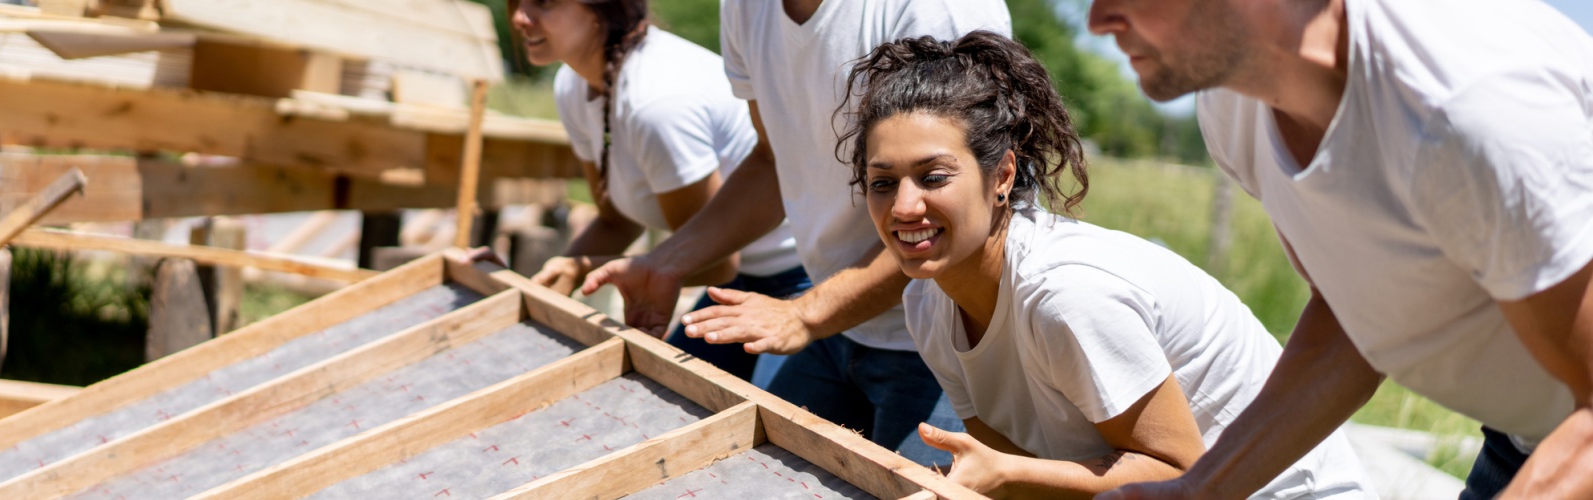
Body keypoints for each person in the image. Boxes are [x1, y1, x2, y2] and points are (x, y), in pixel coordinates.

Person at [1080, 0, 1593, 498]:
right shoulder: (1233, 108)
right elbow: (1353, 313)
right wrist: (1201, 490)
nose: (1098, 20)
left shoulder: (1473, 109)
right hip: (1534, 441)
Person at [841, 31, 1370, 498]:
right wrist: (999, 475)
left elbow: (1177, 472)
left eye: (933, 177)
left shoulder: (1065, 294)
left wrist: (1005, 476)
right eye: (883, 183)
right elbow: (1008, 459)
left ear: (1002, 176)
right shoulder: (927, 304)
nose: (904, 207)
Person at [579, 0, 1010, 464]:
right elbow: (771, 159)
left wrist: (805, 315)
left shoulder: (933, 10)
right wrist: (664, 264)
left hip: (950, 338)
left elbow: (945, 216)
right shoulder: (744, 8)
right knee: (747, 474)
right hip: (837, 321)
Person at [507, 0, 807, 383]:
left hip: (799, 278)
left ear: (602, 9)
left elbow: (716, 261)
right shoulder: (572, 84)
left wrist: (587, 269)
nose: (519, 17)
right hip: (736, 282)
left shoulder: (658, 103)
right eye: (515, 1)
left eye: (544, 3)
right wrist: (540, 289)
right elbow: (618, 220)